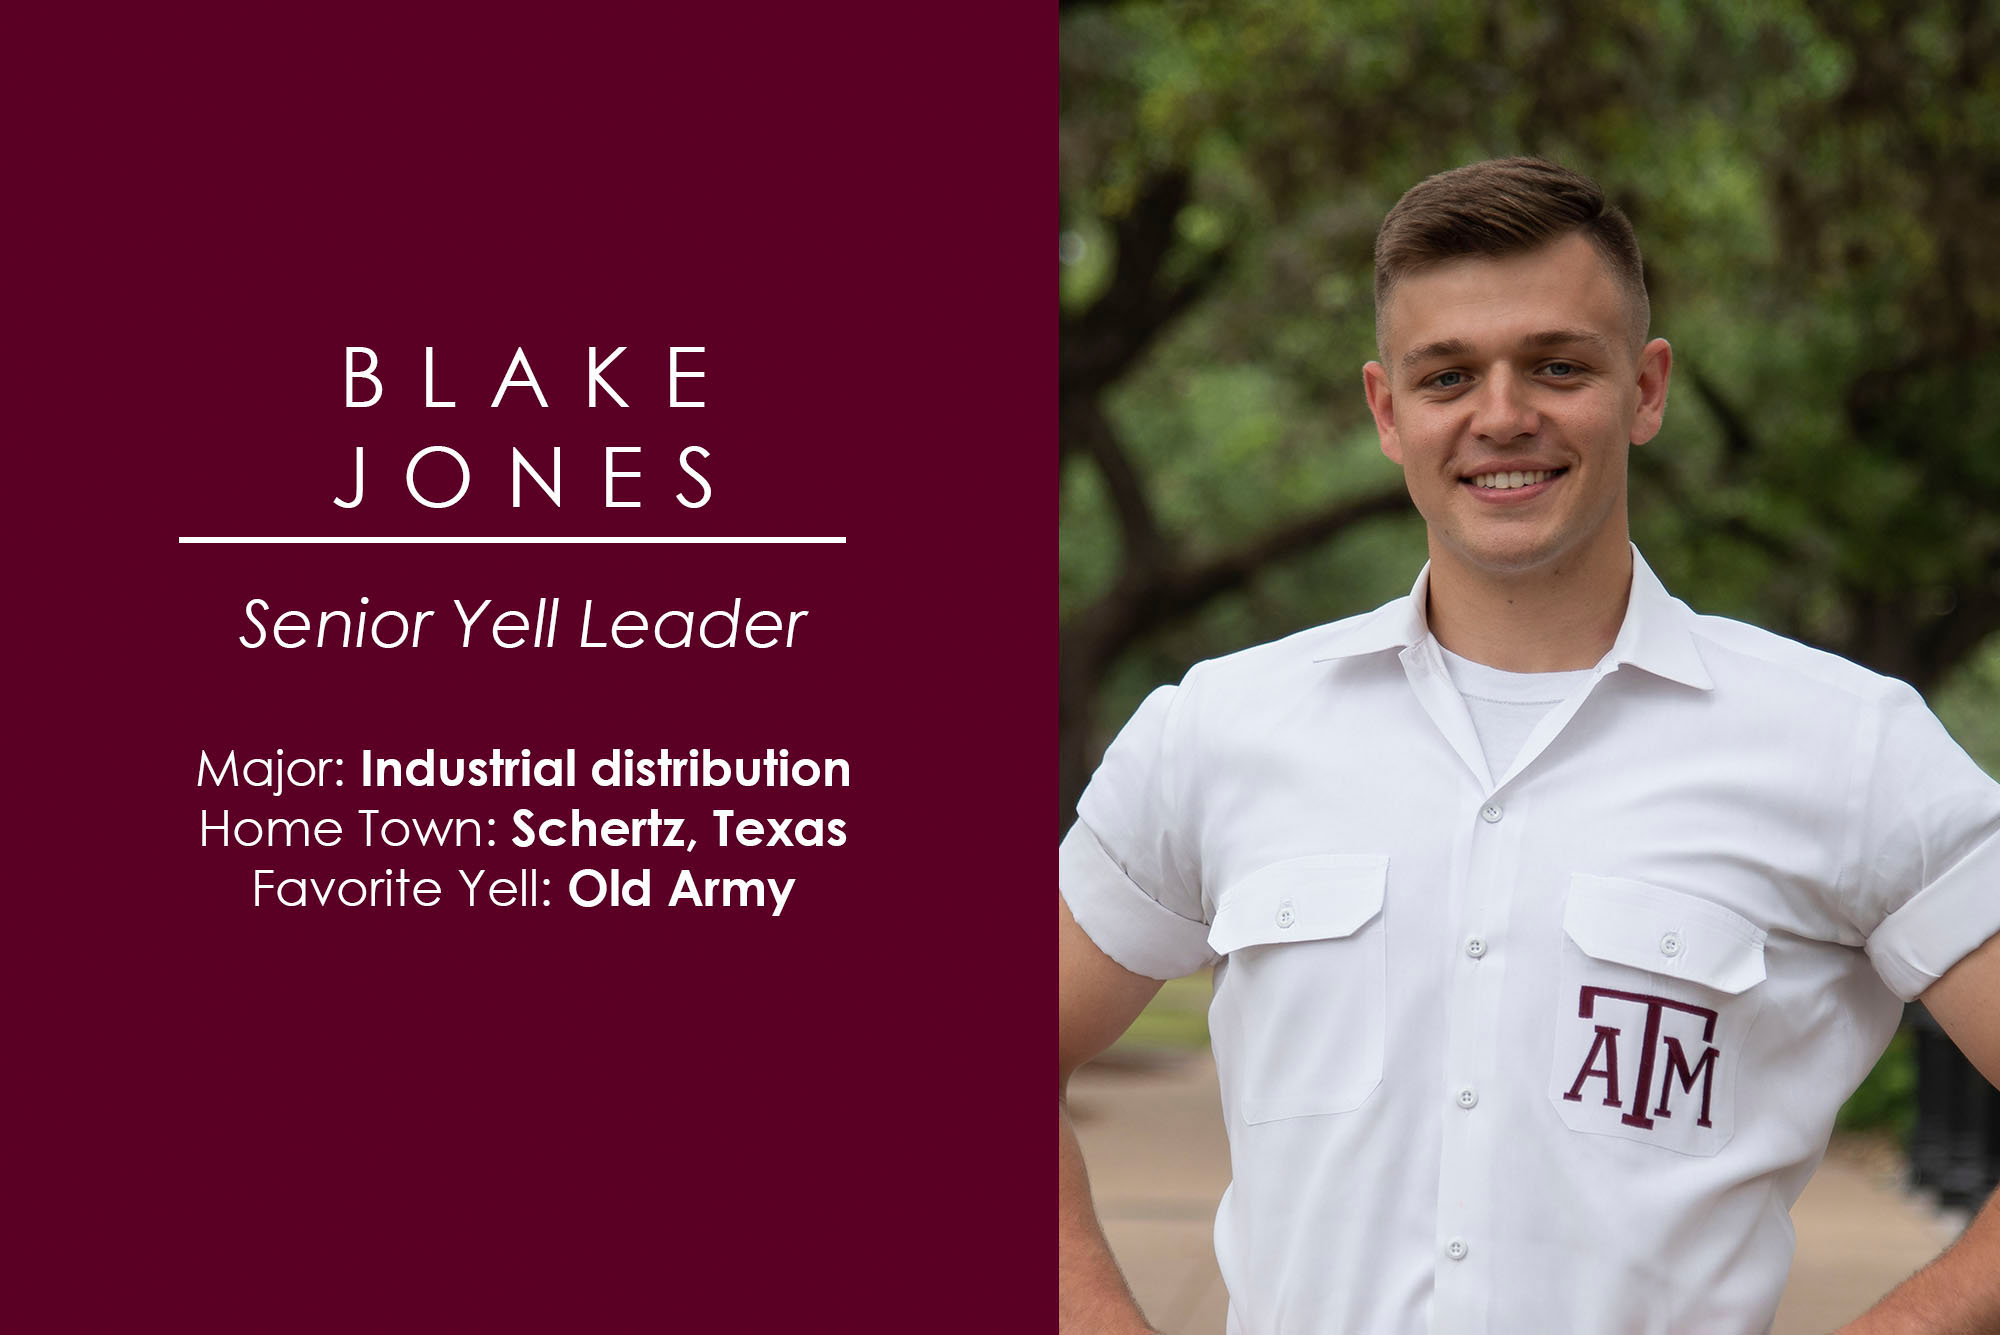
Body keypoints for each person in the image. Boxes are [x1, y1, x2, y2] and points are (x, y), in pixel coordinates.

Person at [1058, 157, 2000, 1334]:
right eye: (1447, 375)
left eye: (1556, 366)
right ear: (1386, 412)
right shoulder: (1219, 728)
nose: (1500, 416)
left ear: (1645, 390)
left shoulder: (1846, 747)